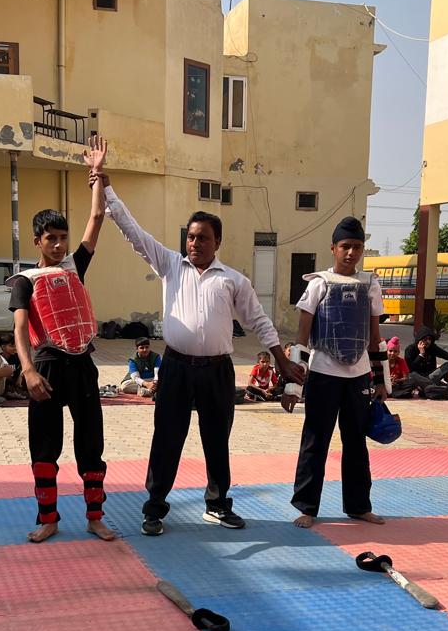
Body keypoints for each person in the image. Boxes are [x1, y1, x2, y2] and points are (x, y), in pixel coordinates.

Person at [100, 157, 303, 536]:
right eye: (191, 237)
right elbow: (133, 232)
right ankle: (154, 508)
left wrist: (281, 360)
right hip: (176, 368)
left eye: (203, 237)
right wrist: (106, 188)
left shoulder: (233, 280)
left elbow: (259, 320)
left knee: (216, 441)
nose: (195, 243)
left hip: (217, 371)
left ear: (217, 242)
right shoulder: (169, 265)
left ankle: (217, 505)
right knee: (167, 439)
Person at [9, 135, 116, 543]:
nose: (58, 245)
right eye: (50, 238)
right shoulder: (25, 280)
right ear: (37, 241)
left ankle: (95, 517)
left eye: (62, 237)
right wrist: (28, 371)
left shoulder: (74, 267)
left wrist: (97, 174)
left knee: (91, 446)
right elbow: (20, 329)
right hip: (47, 369)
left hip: (82, 366)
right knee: (44, 448)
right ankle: (48, 519)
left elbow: (97, 218)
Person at [284, 217, 387, 528]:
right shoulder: (318, 283)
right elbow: (302, 337)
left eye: (357, 247)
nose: (351, 252)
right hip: (323, 372)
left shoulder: (370, 284)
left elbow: (375, 336)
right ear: (333, 248)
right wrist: (293, 386)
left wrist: (381, 381)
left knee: (356, 443)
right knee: (315, 441)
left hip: (359, 375)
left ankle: (359, 506)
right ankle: (306, 507)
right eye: (345, 246)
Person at [402, 326, 448, 395]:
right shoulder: (410, 349)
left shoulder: (432, 347)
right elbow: (410, 369)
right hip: (417, 378)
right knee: (412, 375)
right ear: (419, 339)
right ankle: (435, 386)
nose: (428, 341)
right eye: (425, 339)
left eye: (429, 339)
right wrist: (421, 354)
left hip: (430, 376)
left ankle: (435, 386)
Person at [0, 332, 27, 399]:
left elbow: (24, 367)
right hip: (5, 384)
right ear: (3, 347)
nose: (15, 348)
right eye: (12, 346)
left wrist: (20, 377)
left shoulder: (17, 357)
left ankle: (16, 392)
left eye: (16, 345)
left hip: (16, 383)